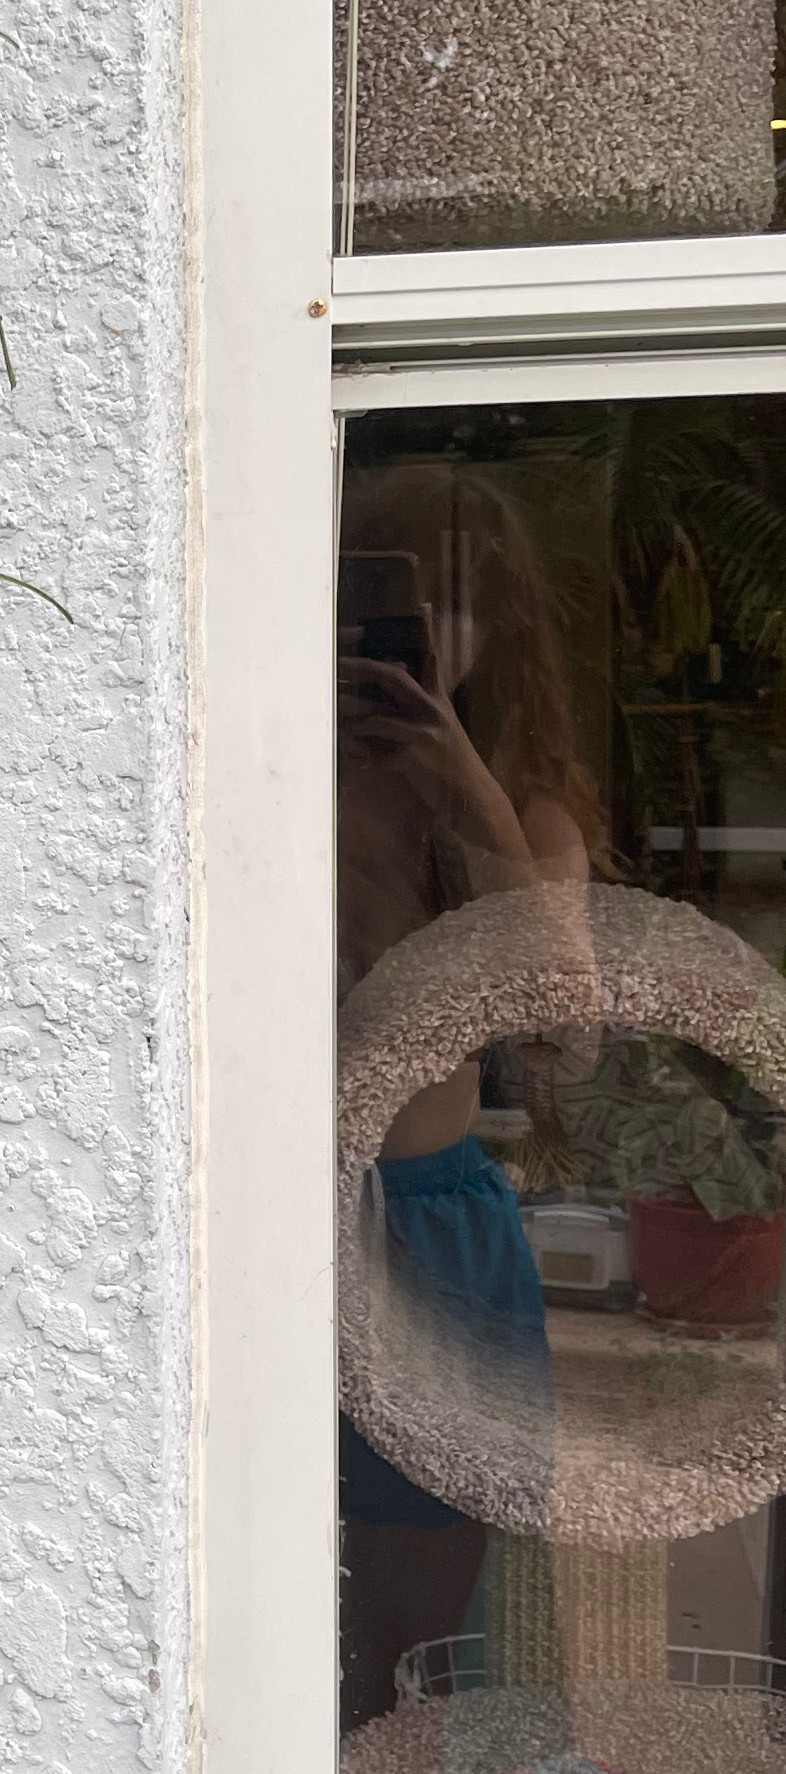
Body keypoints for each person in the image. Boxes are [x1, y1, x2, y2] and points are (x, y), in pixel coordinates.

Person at [335, 459, 600, 1730]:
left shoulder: (520, 807)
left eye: (455, 601)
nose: (423, 630)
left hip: (427, 1234)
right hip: (269, 1225)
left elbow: (563, 1034)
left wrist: (461, 786)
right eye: (390, 594)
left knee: (406, 1656)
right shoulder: (266, 769)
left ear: (498, 631)